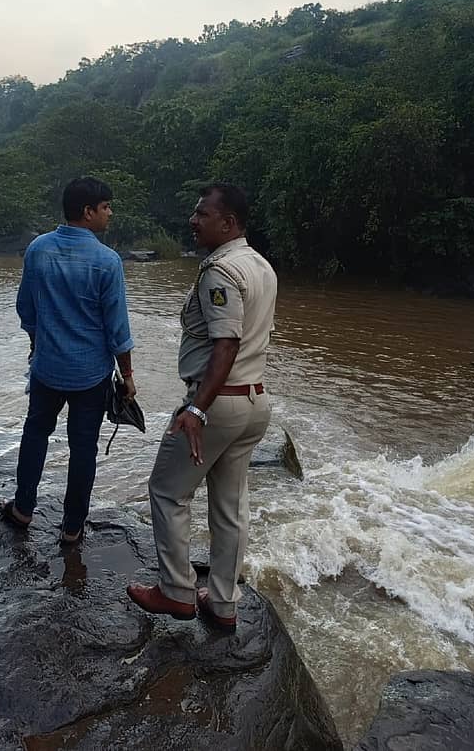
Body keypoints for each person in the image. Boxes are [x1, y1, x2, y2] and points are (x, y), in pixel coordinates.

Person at [127, 184, 276, 633]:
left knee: (168, 491)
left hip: (217, 402)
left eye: (202, 214)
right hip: (254, 400)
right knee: (230, 505)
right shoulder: (260, 265)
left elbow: (225, 343)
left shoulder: (221, 271)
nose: (193, 221)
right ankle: (224, 602)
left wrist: (196, 410)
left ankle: (176, 592)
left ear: (227, 223)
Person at [0, 176, 136, 544]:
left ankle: (23, 508)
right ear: (88, 212)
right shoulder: (107, 261)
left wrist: (36, 343)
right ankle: (72, 527)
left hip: (46, 367)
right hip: (91, 373)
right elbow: (117, 327)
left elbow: (26, 308)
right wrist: (129, 375)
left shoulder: (38, 249)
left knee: (36, 432)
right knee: (83, 447)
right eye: (106, 207)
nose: (110, 213)